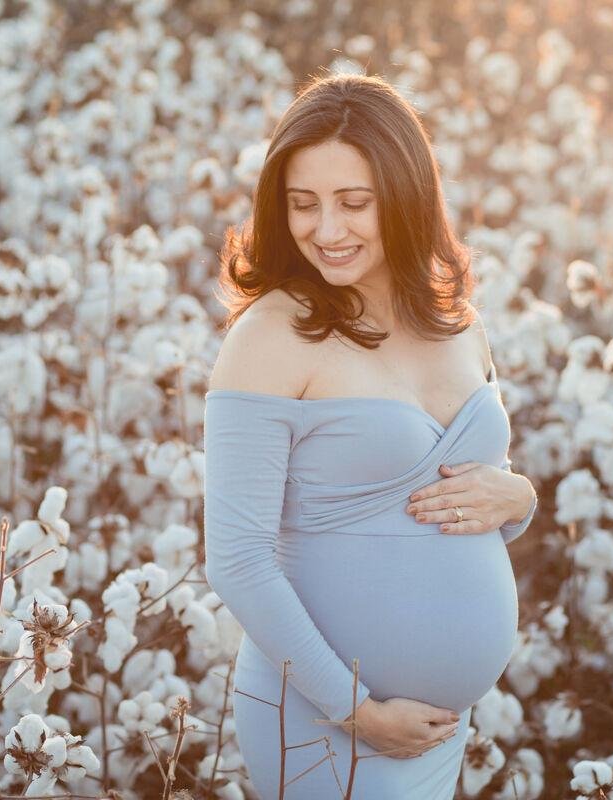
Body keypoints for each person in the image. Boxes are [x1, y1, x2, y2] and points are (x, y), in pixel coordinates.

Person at [201, 72, 538, 799]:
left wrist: (520, 496)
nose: (326, 230)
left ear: (408, 198)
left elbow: (480, 498)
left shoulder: (460, 325)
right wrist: (355, 711)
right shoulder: (268, 338)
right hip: (324, 719)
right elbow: (236, 559)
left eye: (354, 203)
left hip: (439, 727)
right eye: (303, 205)